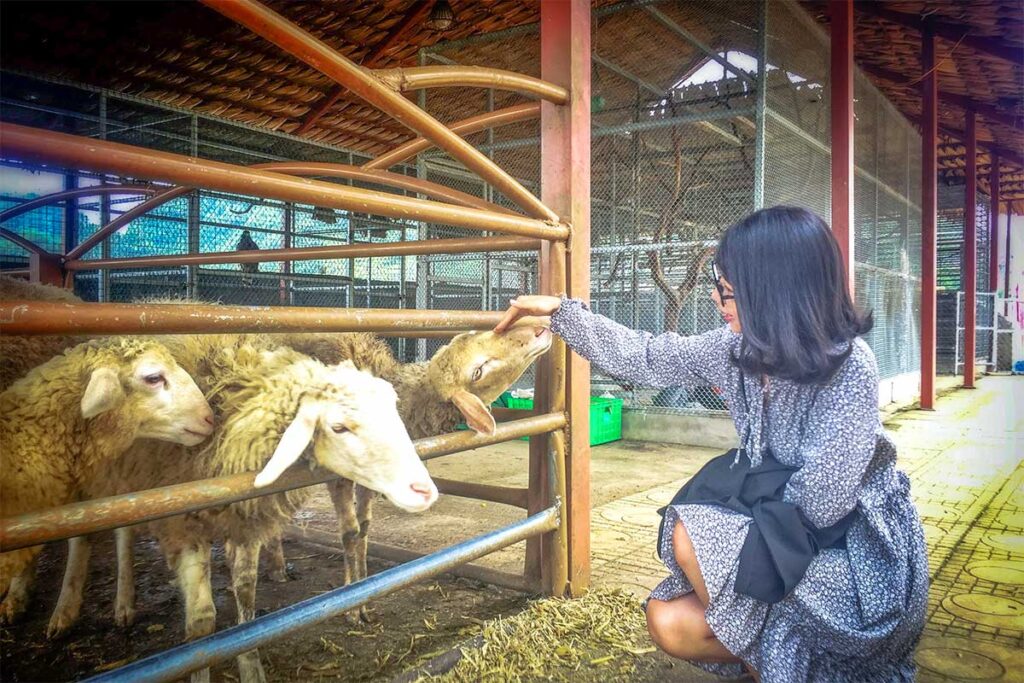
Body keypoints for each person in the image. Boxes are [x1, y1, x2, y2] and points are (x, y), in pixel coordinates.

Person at [494, 206, 929, 682]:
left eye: (727, 291)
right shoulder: (734, 349)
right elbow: (646, 356)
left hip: (850, 548)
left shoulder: (848, 365)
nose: (719, 301)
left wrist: (732, 530)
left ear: (774, 293)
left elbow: (823, 502)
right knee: (667, 620)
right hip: (784, 529)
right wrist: (561, 314)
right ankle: (778, 658)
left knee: (694, 533)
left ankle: (801, 662)